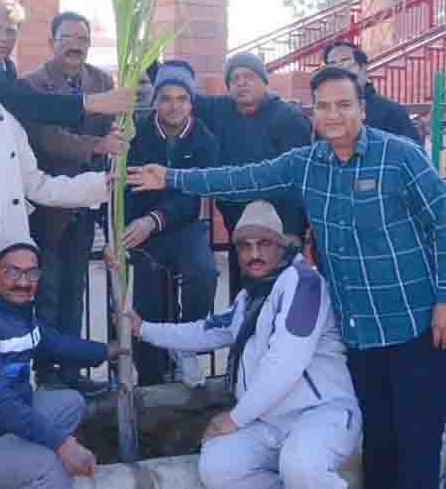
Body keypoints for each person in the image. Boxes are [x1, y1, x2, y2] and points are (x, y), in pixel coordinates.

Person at [127, 66, 446, 489]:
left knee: (417, 440)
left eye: (344, 105)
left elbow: (441, 223)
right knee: (381, 444)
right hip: (360, 334)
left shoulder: (399, 156)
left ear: (362, 109)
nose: (334, 115)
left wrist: (443, 297)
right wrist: (171, 177)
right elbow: (242, 178)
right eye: (324, 106)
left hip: (414, 324)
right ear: (312, 112)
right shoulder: (306, 164)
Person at [123, 200, 360, 489]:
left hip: (320, 415)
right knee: (218, 466)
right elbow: (205, 331)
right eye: (245, 246)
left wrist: (235, 419)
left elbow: (285, 363)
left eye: (264, 244)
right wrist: (143, 328)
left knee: (301, 466)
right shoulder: (249, 299)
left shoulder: (303, 283)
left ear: (280, 246)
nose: (254, 254)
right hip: (269, 422)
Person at [0, 38, 110, 335]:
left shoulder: (6, 122)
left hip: (5, 249)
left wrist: (100, 184)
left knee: (7, 334)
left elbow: (38, 185)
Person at [0, 235, 126, 489]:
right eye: (13, 272)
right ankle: (26, 469)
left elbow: (50, 342)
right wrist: (61, 444)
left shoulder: (10, 305)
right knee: (51, 466)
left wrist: (107, 351)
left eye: (32, 273)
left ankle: (16, 462)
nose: (23, 282)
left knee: (71, 403)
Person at [23, 11, 120, 396]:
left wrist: (115, 134)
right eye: (67, 37)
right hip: (47, 210)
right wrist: (96, 146)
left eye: (82, 37)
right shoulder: (32, 86)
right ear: (51, 41)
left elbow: (112, 126)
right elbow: (46, 138)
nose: (75, 44)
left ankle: (72, 371)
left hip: (85, 208)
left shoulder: (101, 81)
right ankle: (47, 376)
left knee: (74, 293)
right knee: (46, 294)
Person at [159, 55, 310, 298]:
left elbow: (298, 180)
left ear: (263, 81)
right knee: (242, 297)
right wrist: (152, 64)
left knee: (278, 297)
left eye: (249, 77)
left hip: (278, 228)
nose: (242, 83)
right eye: (235, 78)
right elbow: (180, 92)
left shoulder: (288, 118)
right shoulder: (221, 111)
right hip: (237, 224)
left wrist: (293, 230)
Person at [124, 61, 219, 387]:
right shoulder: (136, 133)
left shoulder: (204, 138)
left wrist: (156, 219)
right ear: (155, 102)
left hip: (182, 225)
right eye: (166, 98)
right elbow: (125, 185)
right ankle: (150, 379)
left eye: (182, 98)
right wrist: (127, 226)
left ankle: (186, 347)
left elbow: (193, 195)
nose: (174, 105)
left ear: (191, 102)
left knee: (204, 271)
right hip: (141, 229)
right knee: (147, 302)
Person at [0, 0, 133, 128]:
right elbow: (20, 103)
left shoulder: (7, 66)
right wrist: (89, 102)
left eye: (10, 31)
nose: (3, 38)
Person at [323, 40, 420, 144]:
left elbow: (413, 156)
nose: (340, 70)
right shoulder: (325, 113)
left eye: (345, 62)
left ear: (363, 67)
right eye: (333, 65)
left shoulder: (391, 112)